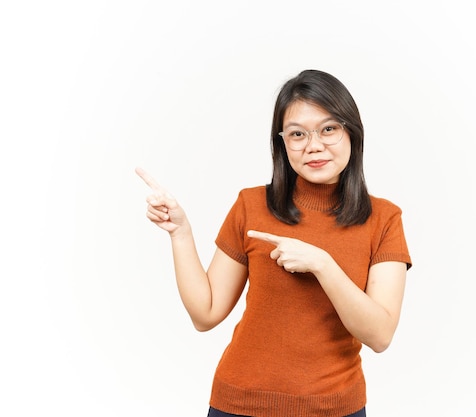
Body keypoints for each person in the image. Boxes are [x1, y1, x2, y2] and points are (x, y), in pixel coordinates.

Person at [136, 69, 412, 417]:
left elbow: (380, 335)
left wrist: (323, 265)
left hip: (334, 408)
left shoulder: (384, 219)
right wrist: (181, 234)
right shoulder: (251, 205)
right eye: (297, 134)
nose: (313, 145)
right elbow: (205, 314)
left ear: (351, 132)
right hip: (239, 404)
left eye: (328, 129)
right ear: (282, 142)